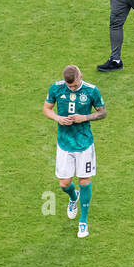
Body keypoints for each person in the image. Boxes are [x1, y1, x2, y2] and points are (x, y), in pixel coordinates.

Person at [43, 65, 105, 239]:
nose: (72, 88)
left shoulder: (92, 91)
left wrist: (84, 117)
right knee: (64, 184)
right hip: (64, 143)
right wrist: (57, 118)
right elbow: (46, 108)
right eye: (69, 86)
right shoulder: (56, 88)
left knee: (84, 180)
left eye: (75, 85)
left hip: (84, 143)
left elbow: (103, 112)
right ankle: (73, 197)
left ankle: (83, 221)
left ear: (80, 77)